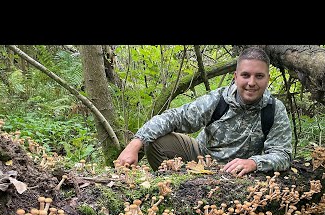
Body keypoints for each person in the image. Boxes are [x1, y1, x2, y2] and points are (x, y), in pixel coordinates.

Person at [116, 46, 292, 176]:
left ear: (268, 78)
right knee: (156, 141)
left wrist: (254, 162)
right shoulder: (218, 100)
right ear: (236, 76)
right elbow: (175, 117)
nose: (251, 82)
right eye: (246, 75)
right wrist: (135, 143)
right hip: (201, 157)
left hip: (242, 171)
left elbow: (282, 154)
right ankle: (180, 184)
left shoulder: (273, 109)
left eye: (259, 76)